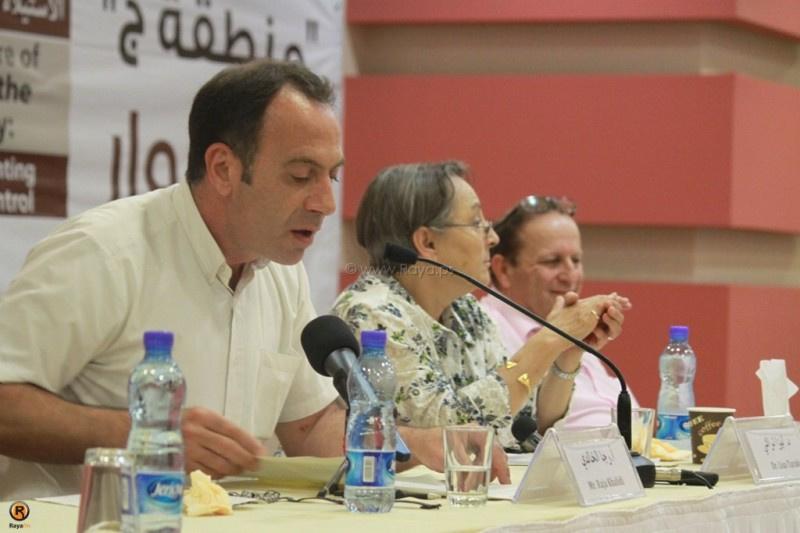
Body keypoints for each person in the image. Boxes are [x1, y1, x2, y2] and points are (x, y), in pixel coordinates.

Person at [0, 61, 482, 500]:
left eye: (331, 177)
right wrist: (143, 434)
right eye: (301, 176)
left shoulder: (281, 271)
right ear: (224, 169)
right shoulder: (103, 252)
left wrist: (416, 444)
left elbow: (309, 428)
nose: (326, 204)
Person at [331, 161, 628, 447]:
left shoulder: (466, 311)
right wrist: (549, 339)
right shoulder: (372, 314)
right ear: (428, 243)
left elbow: (525, 419)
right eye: (477, 223)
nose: (493, 238)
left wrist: (567, 352)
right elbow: (443, 432)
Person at [484, 195, 637, 429]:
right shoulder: (486, 327)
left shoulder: (574, 321)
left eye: (576, 260)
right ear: (503, 269)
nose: (570, 276)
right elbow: (513, 428)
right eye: (552, 261)